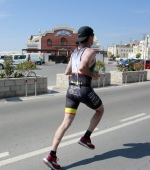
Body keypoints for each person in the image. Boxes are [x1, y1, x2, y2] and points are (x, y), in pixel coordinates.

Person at [43, 26, 104, 170]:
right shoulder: (90, 51)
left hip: (71, 90)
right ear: (90, 37)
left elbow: (67, 71)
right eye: (93, 36)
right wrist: (93, 75)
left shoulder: (74, 53)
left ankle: (51, 155)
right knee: (100, 110)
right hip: (84, 89)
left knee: (65, 123)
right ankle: (86, 137)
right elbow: (83, 67)